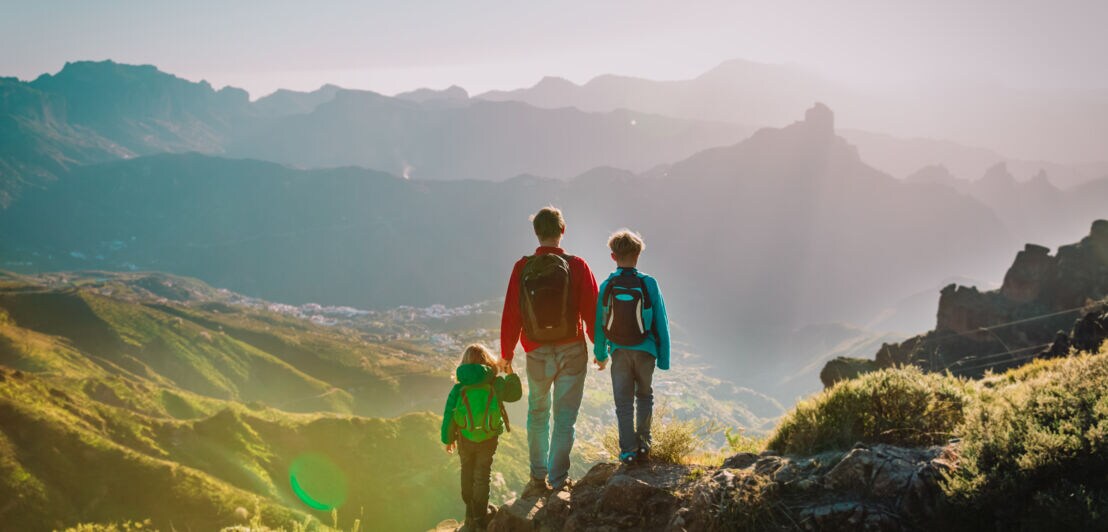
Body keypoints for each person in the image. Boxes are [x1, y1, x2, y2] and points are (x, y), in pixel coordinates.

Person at [500, 206, 599, 496]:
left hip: (537, 352)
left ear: (537, 233)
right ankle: (558, 480)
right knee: (565, 418)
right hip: (572, 350)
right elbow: (591, 310)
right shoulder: (577, 265)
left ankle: (537, 477)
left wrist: (506, 353)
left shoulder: (522, 267)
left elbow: (511, 312)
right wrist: (601, 350)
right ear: (562, 231)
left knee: (537, 414)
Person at [593, 229, 670, 466]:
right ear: (638, 254)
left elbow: (600, 323)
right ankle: (644, 447)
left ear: (613, 256)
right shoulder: (649, 283)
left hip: (619, 352)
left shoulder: (608, 285)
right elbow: (661, 322)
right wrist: (664, 359)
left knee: (623, 403)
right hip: (646, 351)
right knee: (645, 396)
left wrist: (601, 354)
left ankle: (628, 452)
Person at [441, 344, 522, 531]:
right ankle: (479, 516)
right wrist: (510, 372)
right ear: (487, 361)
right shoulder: (494, 384)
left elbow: (449, 415)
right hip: (489, 439)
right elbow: (515, 394)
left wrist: (448, 439)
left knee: (466, 471)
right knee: (482, 475)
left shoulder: (459, 388)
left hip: (465, 438)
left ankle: (470, 511)